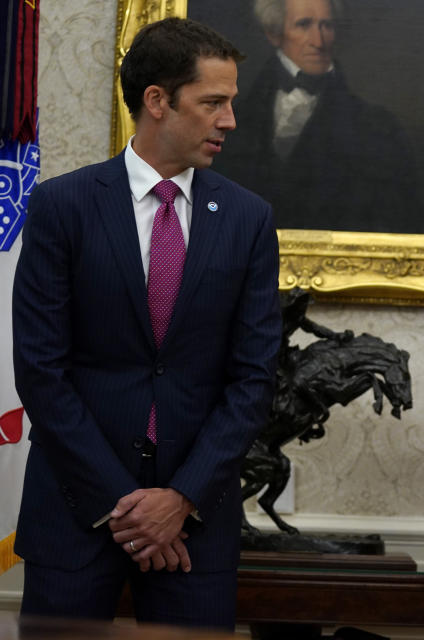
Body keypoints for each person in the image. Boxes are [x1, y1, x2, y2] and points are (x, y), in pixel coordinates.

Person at [11, 18, 281, 630]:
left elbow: (254, 378)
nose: (229, 121)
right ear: (157, 101)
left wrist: (179, 498)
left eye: (230, 103)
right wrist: (127, 508)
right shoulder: (63, 206)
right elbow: (42, 372)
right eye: (213, 102)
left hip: (196, 524)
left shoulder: (249, 219)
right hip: (74, 512)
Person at [214, 0, 424, 233]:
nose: (319, 41)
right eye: (304, 25)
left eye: (327, 26)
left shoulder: (379, 130)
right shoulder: (232, 121)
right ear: (274, 33)